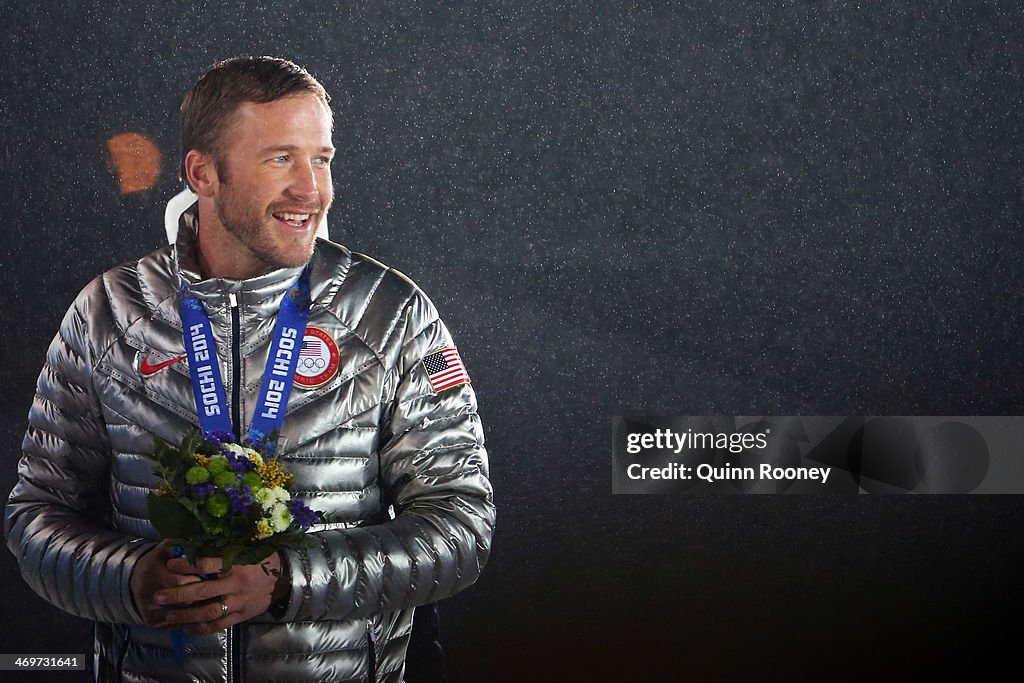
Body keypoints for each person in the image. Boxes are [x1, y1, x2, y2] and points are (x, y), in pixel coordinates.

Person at [4, 56, 494, 683]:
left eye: (321, 158)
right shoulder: (107, 312)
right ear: (202, 173)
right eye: (280, 158)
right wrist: (127, 579)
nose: (311, 190)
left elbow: (462, 526)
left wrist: (289, 581)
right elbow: (36, 516)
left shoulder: (389, 314)